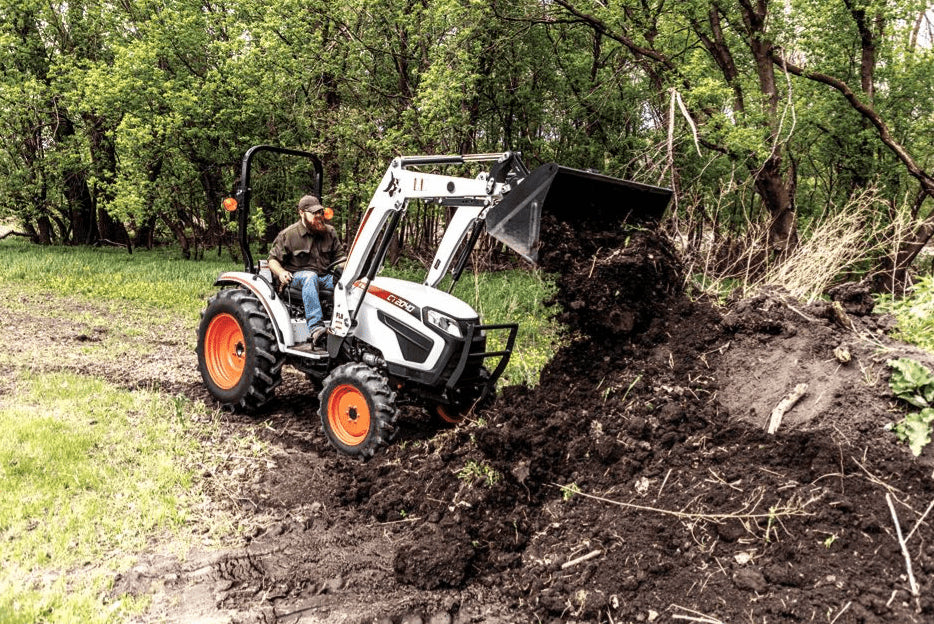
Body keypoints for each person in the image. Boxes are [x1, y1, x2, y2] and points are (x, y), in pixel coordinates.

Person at [267, 195, 344, 347]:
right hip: (296, 279)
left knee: (348, 283)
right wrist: (281, 272)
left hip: (324, 277)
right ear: (301, 213)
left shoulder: (329, 232)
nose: (319, 216)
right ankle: (316, 328)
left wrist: (348, 273)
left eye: (320, 212)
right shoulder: (289, 235)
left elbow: (342, 259)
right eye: (314, 213)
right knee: (310, 277)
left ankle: (343, 325)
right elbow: (272, 260)